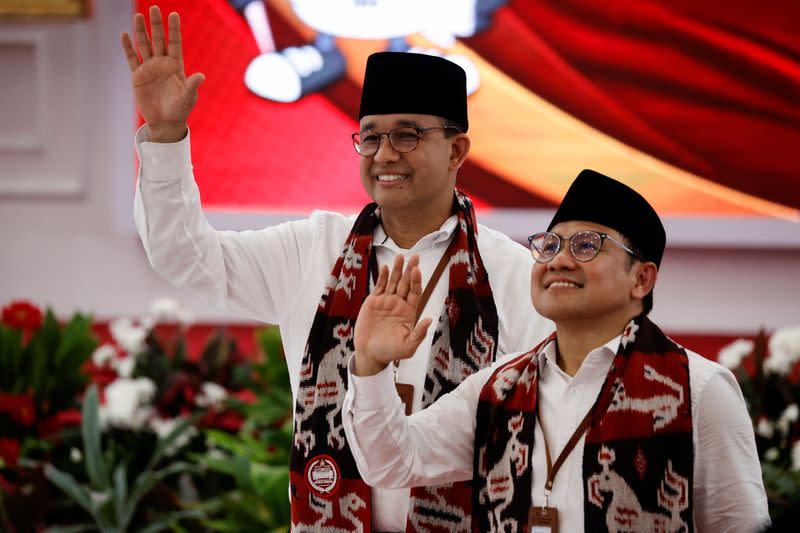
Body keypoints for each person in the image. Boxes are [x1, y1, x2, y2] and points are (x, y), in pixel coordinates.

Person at [120, 5, 551, 532]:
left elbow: (548, 431)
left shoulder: (511, 274)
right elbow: (185, 256)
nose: (384, 154)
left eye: (407, 135)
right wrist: (165, 134)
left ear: (457, 149)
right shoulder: (314, 249)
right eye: (370, 136)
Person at [344, 169, 771, 532]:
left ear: (641, 279)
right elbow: (392, 463)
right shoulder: (497, 390)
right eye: (549, 245)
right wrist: (370, 363)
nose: (558, 261)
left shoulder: (699, 390)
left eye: (586, 245)